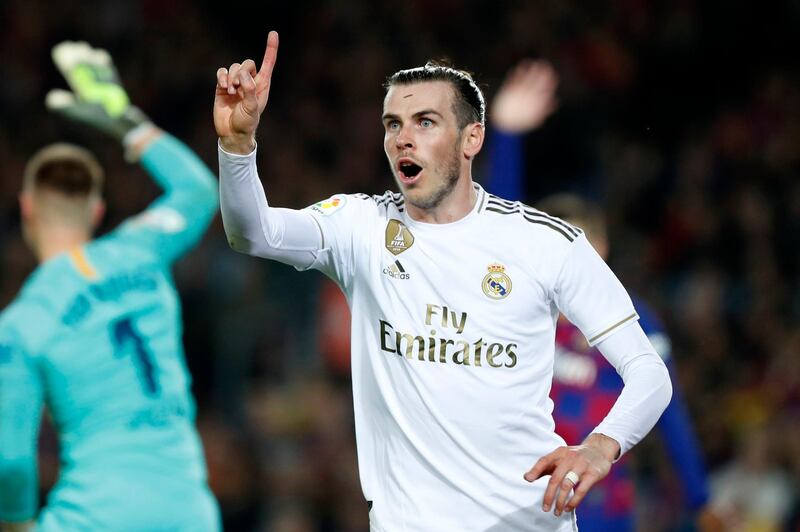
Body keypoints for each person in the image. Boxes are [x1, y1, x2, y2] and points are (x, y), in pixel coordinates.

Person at [215, 31, 672, 531]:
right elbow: (253, 233)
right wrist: (238, 147)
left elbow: (649, 373)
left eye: (425, 122)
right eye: (393, 124)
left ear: (471, 138)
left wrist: (601, 447)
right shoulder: (360, 228)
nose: (403, 138)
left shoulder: (547, 243)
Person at [486, 60, 716, 531]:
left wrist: (699, 498)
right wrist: (506, 135)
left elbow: (666, 402)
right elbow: (496, 228)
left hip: (602, 507)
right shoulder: (523, 307)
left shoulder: (633, 319)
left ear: (602, 249)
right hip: (518, 500)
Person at [0, 42, 220, 531]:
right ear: (97, 213)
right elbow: (199, 191)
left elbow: (10, 461)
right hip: (190, 512)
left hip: (94, 517)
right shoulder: (140, 250)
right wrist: (126, 119)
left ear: (27, 211)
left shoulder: (20, 324)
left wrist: (15, 523)